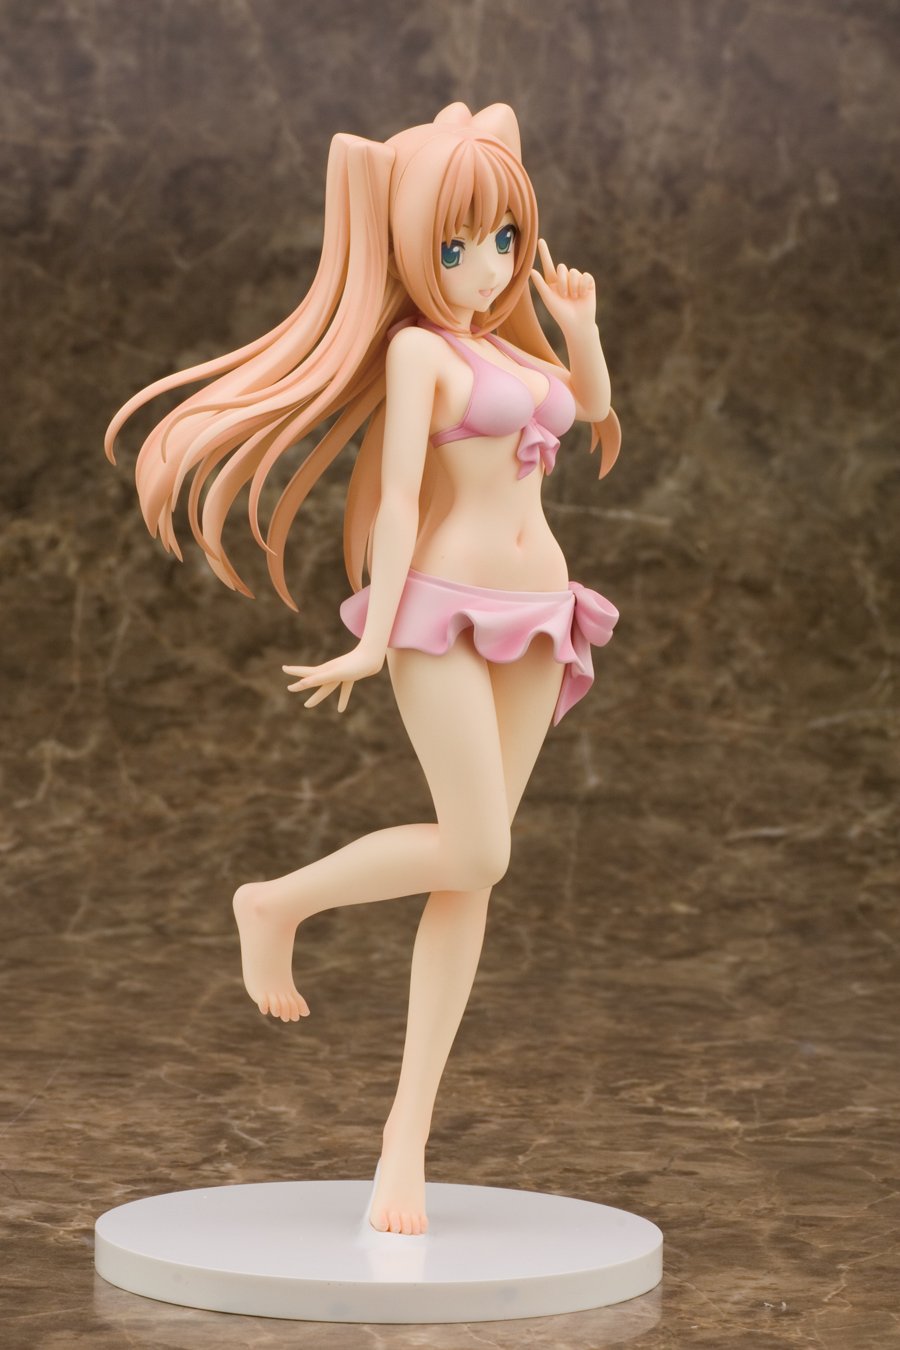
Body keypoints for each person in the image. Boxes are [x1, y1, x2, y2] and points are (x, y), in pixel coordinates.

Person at [104, 101, 622, 1237]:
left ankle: (406, 1136)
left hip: (541, 614)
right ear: (411, 245)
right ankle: (276, 900)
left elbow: (592, 410)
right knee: (478, 845)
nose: (486, 267)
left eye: (503, 240)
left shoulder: (514, 347)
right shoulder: (418, 349)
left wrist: (578, 328)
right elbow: (392, 502)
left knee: (472, 877)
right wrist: (378, 632)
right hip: (442, 612)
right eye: (457, 245)